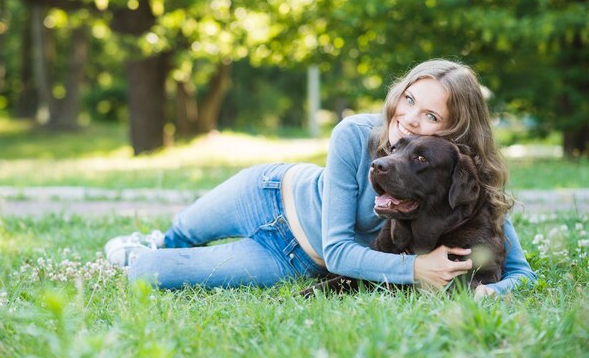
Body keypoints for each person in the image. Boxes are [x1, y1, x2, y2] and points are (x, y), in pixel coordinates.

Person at [104, 59, 537, 298]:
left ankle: (141, 255)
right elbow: (339, 249)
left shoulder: (461, 176)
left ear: (451, 132)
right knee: (178, 235)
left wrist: (491, 294)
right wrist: (415, 268)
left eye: (430, 115)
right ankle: (152, 239)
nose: (407, 118)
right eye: (408, 99)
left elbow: (521, 273)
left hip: (289, 257)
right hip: (267, 192)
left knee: (150, 271)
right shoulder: (354, 134)